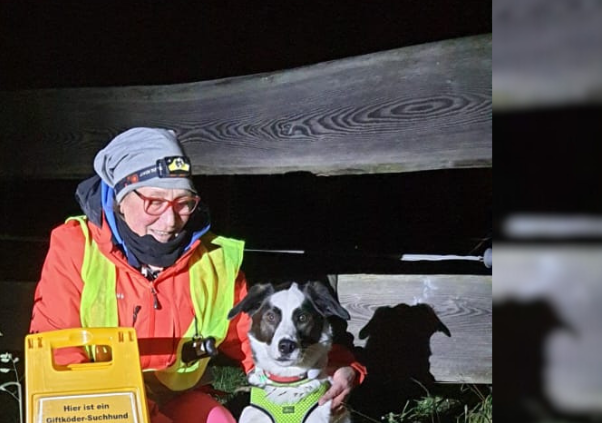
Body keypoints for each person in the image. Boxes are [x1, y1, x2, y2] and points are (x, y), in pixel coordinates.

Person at [29, 127, 365, 423]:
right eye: (154, 202)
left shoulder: (212, 260)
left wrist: (337, 367)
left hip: (176, 400)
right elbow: (58, 352)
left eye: (183, 203)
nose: (171, 220)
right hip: (95, 406)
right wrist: (137, 410)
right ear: (120, 198)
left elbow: (256, 333)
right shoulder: (76, 247)